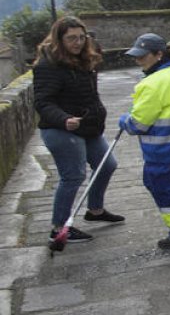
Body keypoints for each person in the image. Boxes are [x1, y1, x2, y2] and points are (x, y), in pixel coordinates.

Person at [33, 17, 124, 244]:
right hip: (60, 130)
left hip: (87, 127)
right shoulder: (47, 65)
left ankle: (95, 211)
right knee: (73, 176)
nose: (78, 43)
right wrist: (64, 119)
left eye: (82, 38)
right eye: (72, 38)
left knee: (107, 165)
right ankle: (59, 228)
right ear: (59, 39)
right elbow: (43, 103)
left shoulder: (84, 60)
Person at [119, 33, 170, 249]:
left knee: (160, 186)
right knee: (164, 184)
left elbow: (137, 124)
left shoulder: (152, 84)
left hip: (161, 146)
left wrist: (124, 121)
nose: (138, 61)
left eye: (142, 56)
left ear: (158, 55)